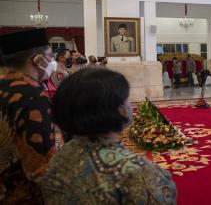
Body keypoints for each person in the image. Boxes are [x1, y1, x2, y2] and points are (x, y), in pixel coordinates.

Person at [40, 68, 177, 204]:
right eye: (126, 99)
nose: (131, 106)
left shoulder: (59, 156)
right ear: (117, 109)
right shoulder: (140, 173)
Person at [0, 29, 56, 204]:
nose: (51, 62)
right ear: (38, 59)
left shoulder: (4, 86)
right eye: (49, 56)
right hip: (22, 194)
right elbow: (40, 167)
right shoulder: (32, 96)